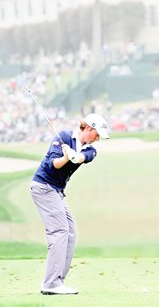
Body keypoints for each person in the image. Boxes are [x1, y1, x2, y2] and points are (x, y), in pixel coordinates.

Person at [30, 113, 110, 296]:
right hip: (43, 187)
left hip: (57, 191)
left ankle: (58, 281)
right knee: (60, 231)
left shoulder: (91, 150)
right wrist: (66, 156)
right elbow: (54, 165)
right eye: (97, 134)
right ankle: (51, 283)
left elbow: (83, 158)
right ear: (88, 128)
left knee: (71, 232)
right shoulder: (64, 138)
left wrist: (75, 155)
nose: (98, 139)